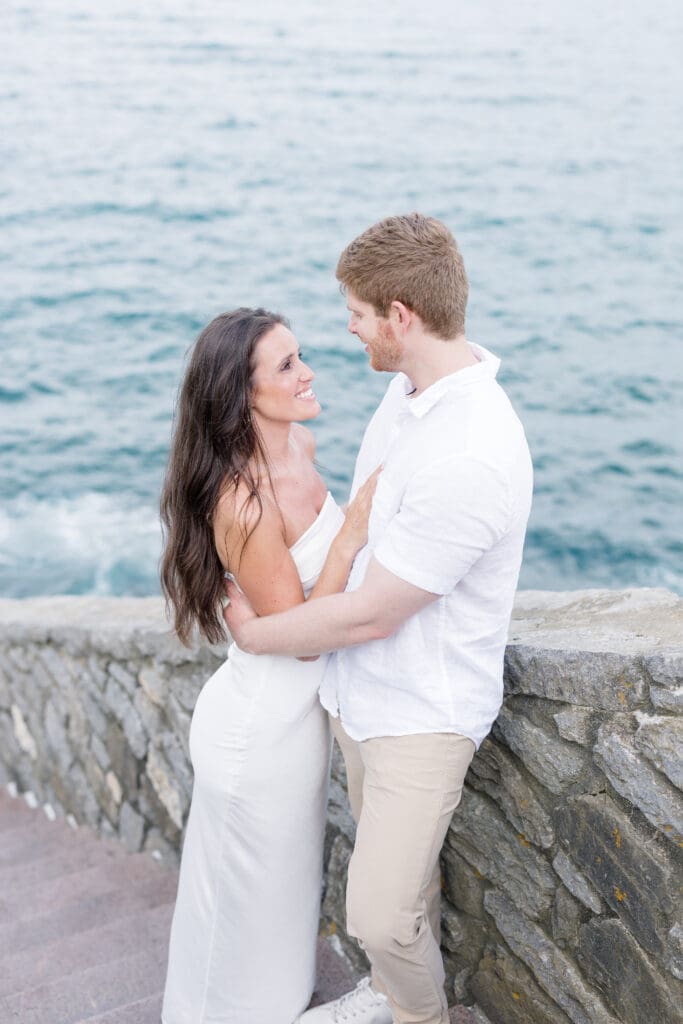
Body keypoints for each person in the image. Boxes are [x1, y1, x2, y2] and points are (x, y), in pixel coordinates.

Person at [224, 214, 534, 1024]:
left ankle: (419, 1017)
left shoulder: (470, 451)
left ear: (400, 315)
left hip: (418, 716)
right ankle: (394, 998)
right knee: (406, 895)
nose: (348, 330)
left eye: (357, 315)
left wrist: (257, 634)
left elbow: (370, 616)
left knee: (376, 913)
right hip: (361, 700)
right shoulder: (408, 395)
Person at [159, 307, 380, 1024]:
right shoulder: (242, 501)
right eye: (284, 366)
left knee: (279, 893)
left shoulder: (302, 446)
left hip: (296, 720)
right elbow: (304, 634)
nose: (306, 372)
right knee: (244, 902)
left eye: (300, 355)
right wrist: (350, 535)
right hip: (260, 731)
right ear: (239, 394)